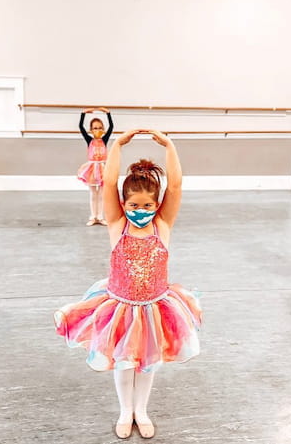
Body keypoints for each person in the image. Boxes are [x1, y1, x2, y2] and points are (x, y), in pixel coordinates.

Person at [55, 130, 201, 439]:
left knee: (147, 364)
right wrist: (117, 145)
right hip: (120, 307)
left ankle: (141, 410)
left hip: (154, 307)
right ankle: (125, 411)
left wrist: (170, 147)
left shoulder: (162, 225)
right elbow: (108, 183)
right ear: (124, 204)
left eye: (148, 206)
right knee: (123, 363)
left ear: (156, 206)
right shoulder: (117, 225)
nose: (141, 212)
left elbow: (174, 185)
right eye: (134, 205)